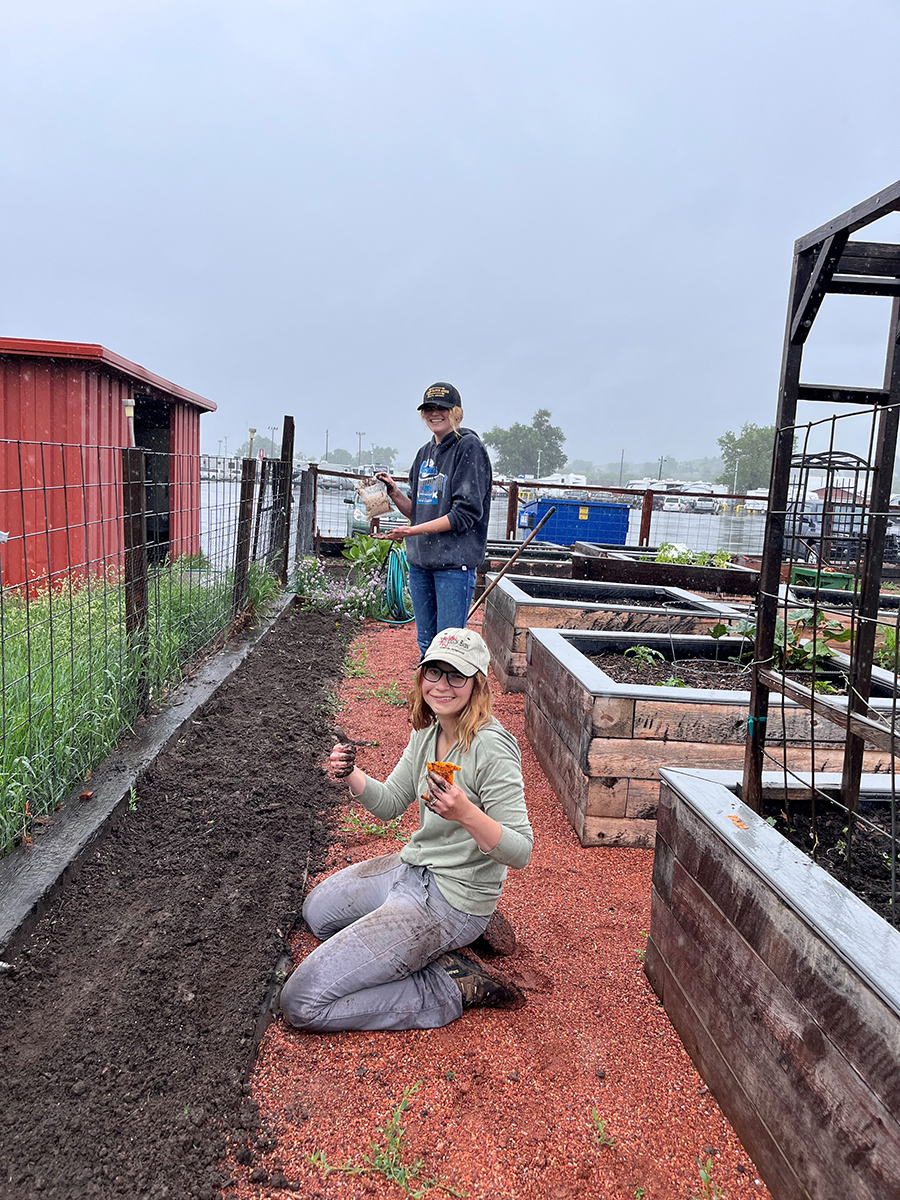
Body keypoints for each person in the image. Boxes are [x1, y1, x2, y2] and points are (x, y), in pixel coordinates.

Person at [279, 628, 532, 1032]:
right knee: (317, 914)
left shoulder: (492, 748)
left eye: (456, 676)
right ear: (421, 677)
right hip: (412, 869)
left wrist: (466, 812)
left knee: (301, 1003)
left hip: (451, 897)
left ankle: (451, 985)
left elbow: (520, 851)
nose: (442, 685)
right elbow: (391, 802)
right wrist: (351, 774)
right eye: (434, 673)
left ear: (477, 685)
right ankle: (438, 944)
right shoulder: (427, 733)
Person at [375, 382, 492, 657]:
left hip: (453, 564)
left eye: (442, 408)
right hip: (421, 564)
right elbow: (417, 510)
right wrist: (393, 492)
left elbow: (465, 514)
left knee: (449, 647)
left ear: (456, 412)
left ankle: (455, 699)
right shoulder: (424, 454)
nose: (434, 413)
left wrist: (412, 532)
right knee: (426, 644)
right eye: (429, 408)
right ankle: (428, 699)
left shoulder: (469, 448)